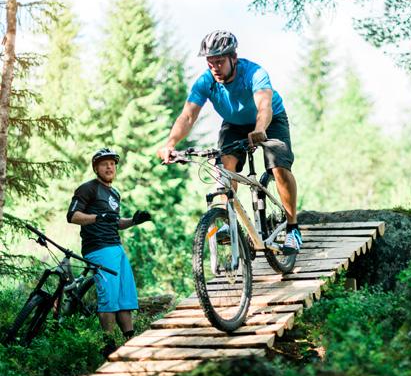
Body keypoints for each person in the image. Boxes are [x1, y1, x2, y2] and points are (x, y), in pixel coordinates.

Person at [157, 30, 302, 254]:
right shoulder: (206, 82)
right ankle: (227, 220)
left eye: (220, 61)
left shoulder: (254, 73)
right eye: (210, 62)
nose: (214, 67)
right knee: (224, 166)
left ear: (233, 58)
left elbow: (264, 106)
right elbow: (187, 116)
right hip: (234, 124)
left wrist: (260, 129)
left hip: (269, 120)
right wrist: (170, 143)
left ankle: (293, 228)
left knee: (279, 168)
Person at [66, 148, 151, 357]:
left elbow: (114, 222)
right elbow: (72, 215)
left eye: (112, 163)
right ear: (96, 168)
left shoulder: (114, 193)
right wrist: (97, 217)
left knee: (125, 298)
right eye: (104, 163)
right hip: (98, 249)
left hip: (116, 247)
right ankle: (109, 346)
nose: (109, 166)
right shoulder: (88, 189)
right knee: (109, 299)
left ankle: (130, 343)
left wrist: (133, 221)